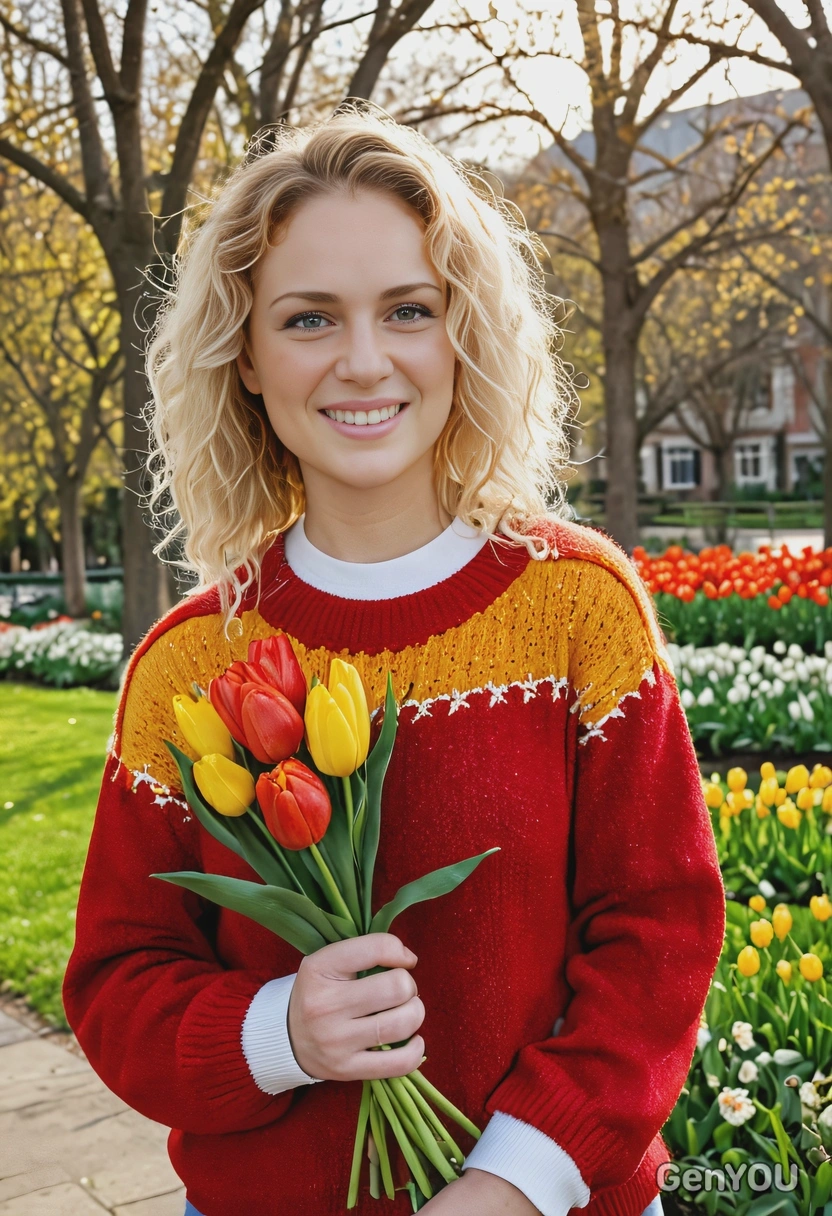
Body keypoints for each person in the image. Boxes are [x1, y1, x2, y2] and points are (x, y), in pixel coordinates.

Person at [63, 104, 726, 1216]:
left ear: (462, 335)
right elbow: (117, 984)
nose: (363, 361)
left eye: (408, 310)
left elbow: (657, 934)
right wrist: (280, 1032)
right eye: (310, 318)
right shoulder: (188, 669)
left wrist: (513, 1181)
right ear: (246, 355)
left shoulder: (577, 609)